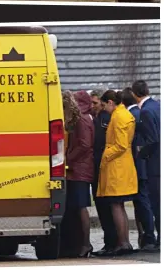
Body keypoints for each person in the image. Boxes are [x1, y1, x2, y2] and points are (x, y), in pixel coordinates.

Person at [97, 90, 138, 255]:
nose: (103, 108)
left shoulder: (118, 117)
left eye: (104, 105)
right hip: (122, 165)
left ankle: (123, 243)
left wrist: (105, 155)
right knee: (119, 205)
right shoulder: (124, 114)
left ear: (110, 103)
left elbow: (120, 145)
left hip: (117, 167)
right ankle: (125, 242)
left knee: (116, 205)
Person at [121, 87, 156, 250]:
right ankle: (146, 236)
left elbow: (145, 140)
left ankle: (148, 236)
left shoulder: (135, 115)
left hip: (139, 164)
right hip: (143, 164)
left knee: (143, 201)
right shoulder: (141, 112)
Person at [62, 90, 95, 258]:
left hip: (79, 169)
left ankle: (85, 243)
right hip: (81, 167)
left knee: (81, 206)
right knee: (78, 206)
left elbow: (84, 144)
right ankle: (81, 242)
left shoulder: (81, 120)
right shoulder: (86, 117)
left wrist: (67, 159)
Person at [131, 80, 160, 250]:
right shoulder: (156, 106)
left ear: (135, 94)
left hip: (154, 163)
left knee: (156, 202)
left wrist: (141, 155)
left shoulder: (146, 111)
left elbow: (153, 139)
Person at [90, 90, 118, 256]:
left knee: (105, 206)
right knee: (101, 206)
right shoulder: (97, 118)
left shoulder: (105, 119)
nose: (93, 106)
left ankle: (112, 241)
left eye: (95, 103)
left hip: (103, 167)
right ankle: (109, 241)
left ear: (103, 102)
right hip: (97, 167)